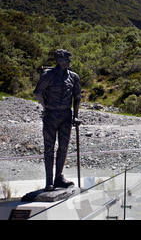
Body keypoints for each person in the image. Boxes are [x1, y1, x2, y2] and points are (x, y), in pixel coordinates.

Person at [34, 49, 82, 191]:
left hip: (66, 115)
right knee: (49, 148)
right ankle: (49, 181)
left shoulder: (74, 77)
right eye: (67, 58)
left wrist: (76, 115)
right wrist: (45, 107)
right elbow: (38, 92)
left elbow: (77, 96)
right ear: (60, 60)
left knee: (64, 147)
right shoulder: (48, 75)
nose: (70, 61)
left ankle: (59, 177)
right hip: (51, 115)